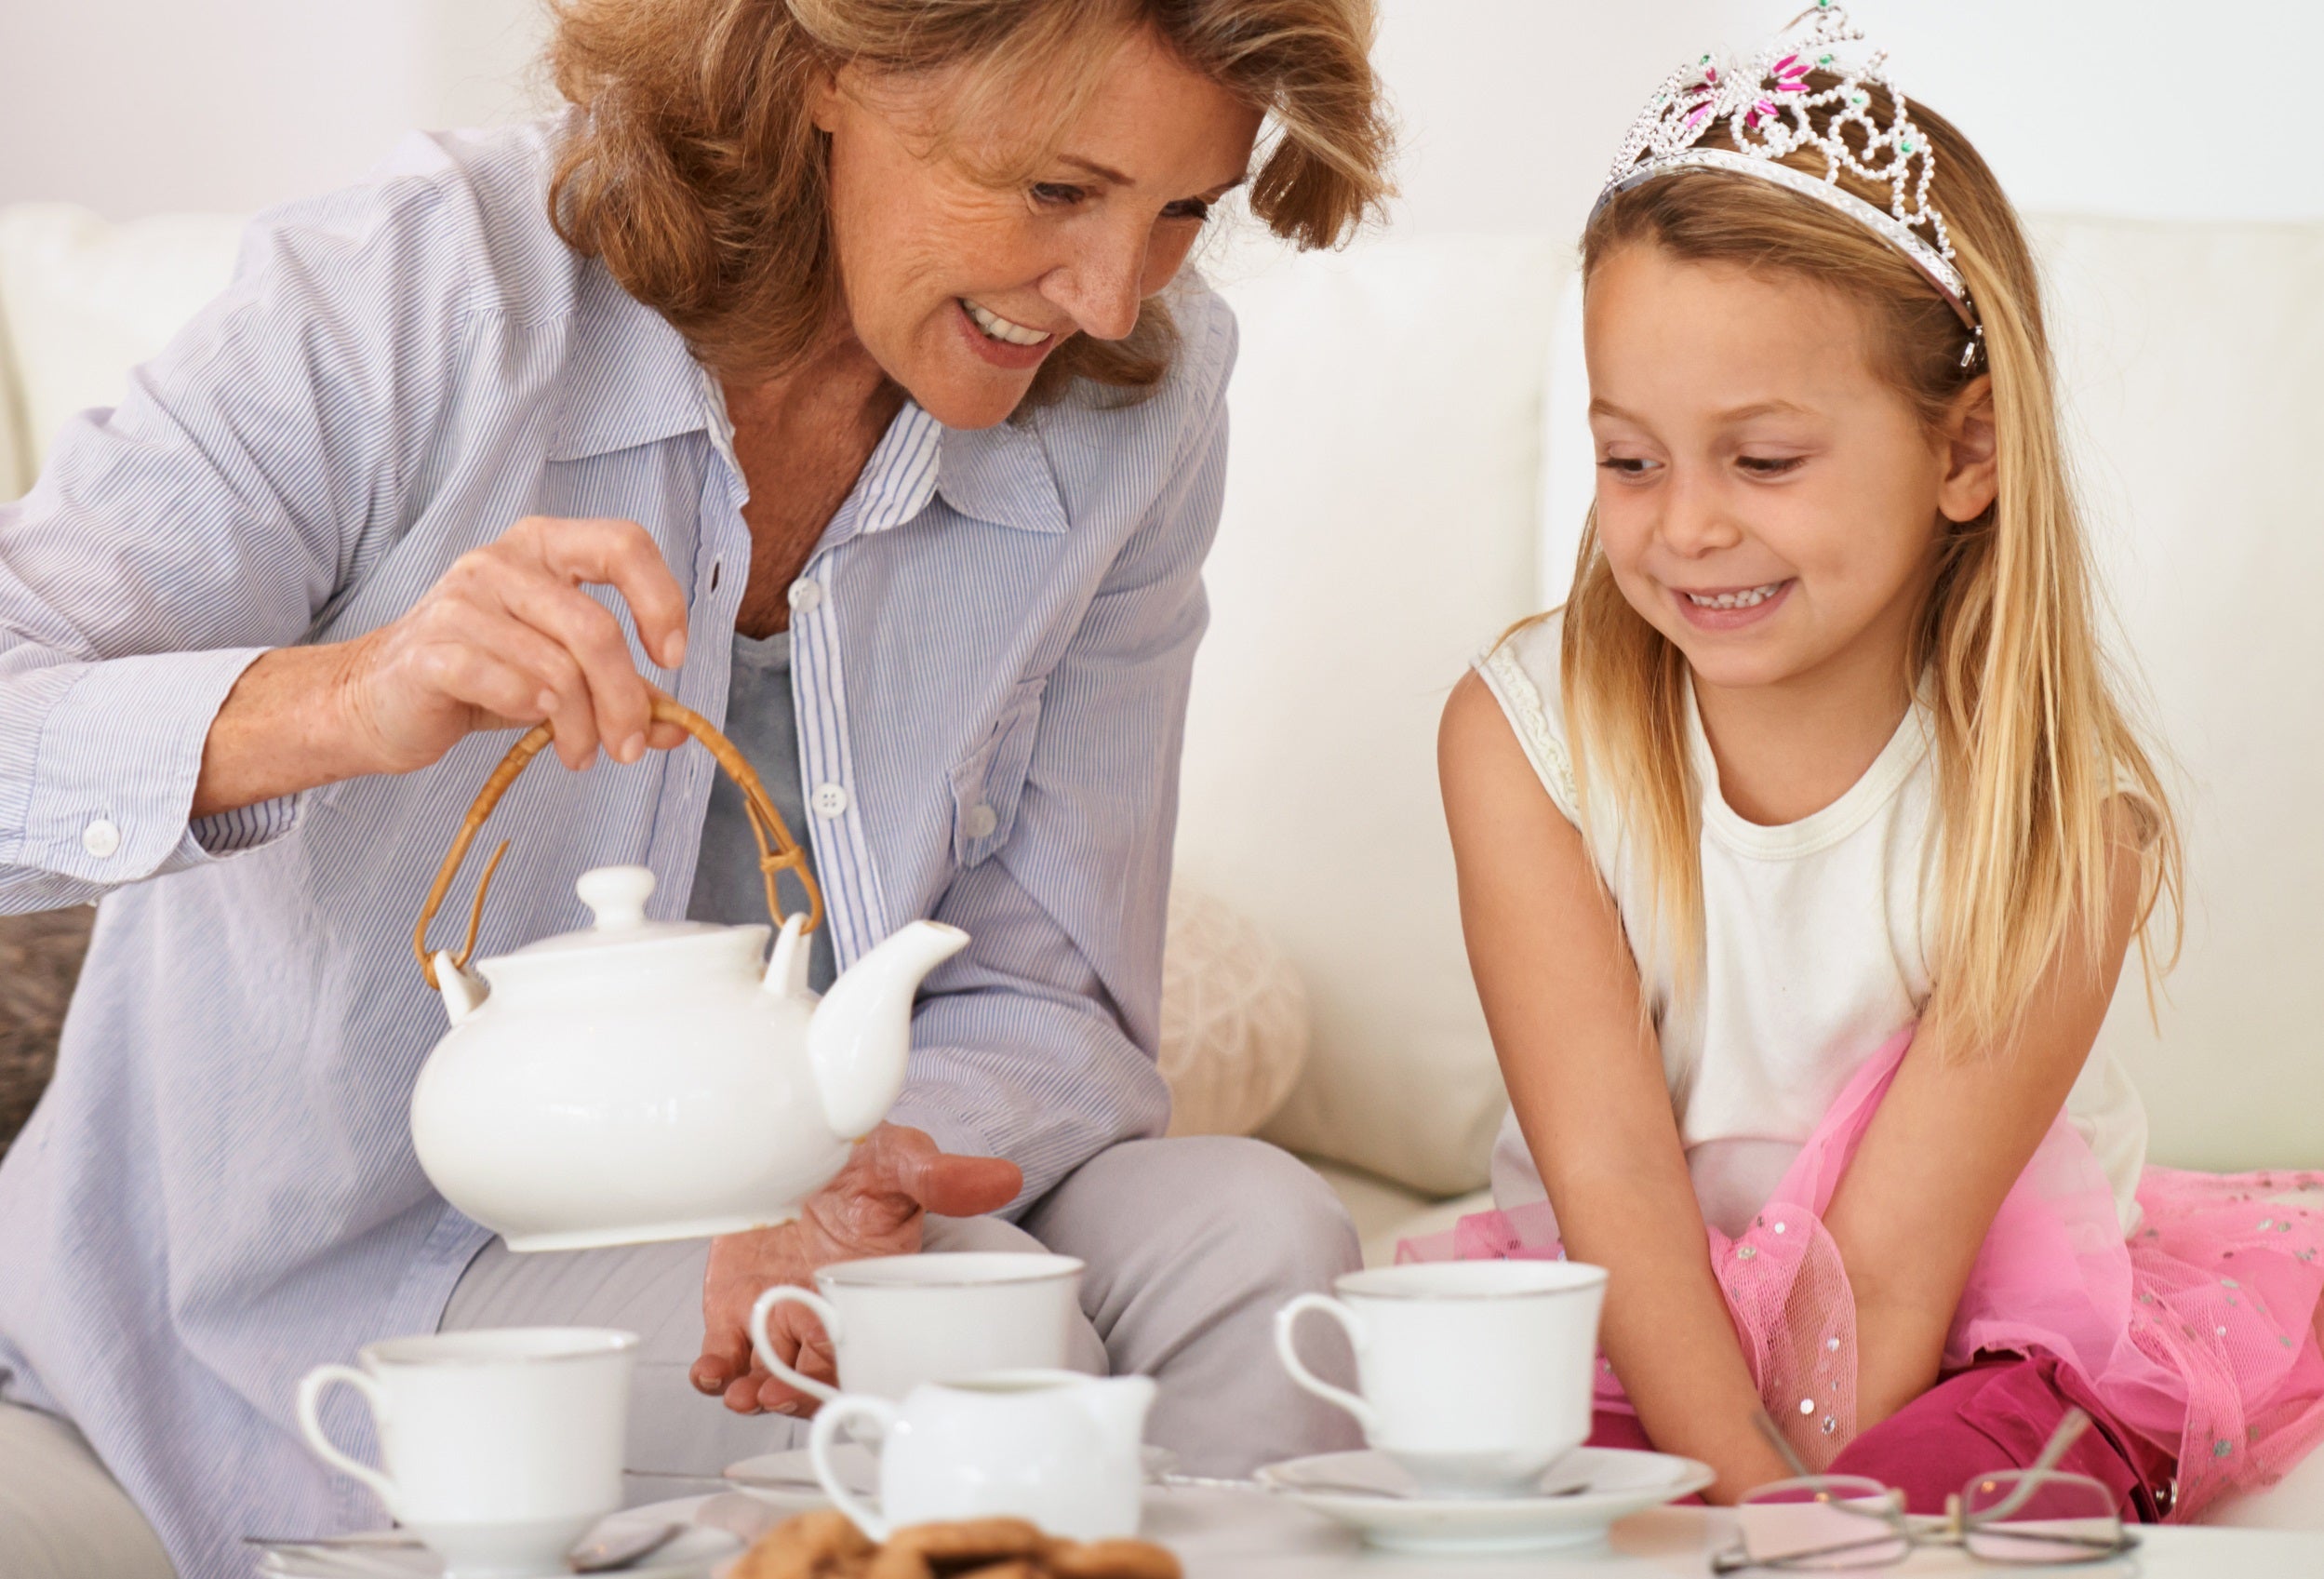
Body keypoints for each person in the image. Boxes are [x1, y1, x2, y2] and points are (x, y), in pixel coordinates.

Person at [0, 3, 1394, 1574]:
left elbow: (1050, 980)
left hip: (823, 1184)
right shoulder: (418, 286)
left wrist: (859, 1169)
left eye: (1182, 210)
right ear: (825, 77)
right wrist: (342, 697)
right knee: (945, 1352)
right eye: (1056, 191)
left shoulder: (1144, 383)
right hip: (376, 1247)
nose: (1107, 292)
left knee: (1257, 1242)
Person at [1427, 4, 2324, 1524]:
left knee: (1973, 1484)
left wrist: (1802, 1521)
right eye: (1628, 457)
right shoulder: (1524, 743)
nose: (1684, 524)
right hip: (1642, 1303)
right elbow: (1620, 1188)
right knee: (1509, 1455)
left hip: (1956, 1322)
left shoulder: (2059, 819)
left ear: (1965, 453)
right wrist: (1739, 1502)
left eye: (1761, 459)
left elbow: (1899, 1265)